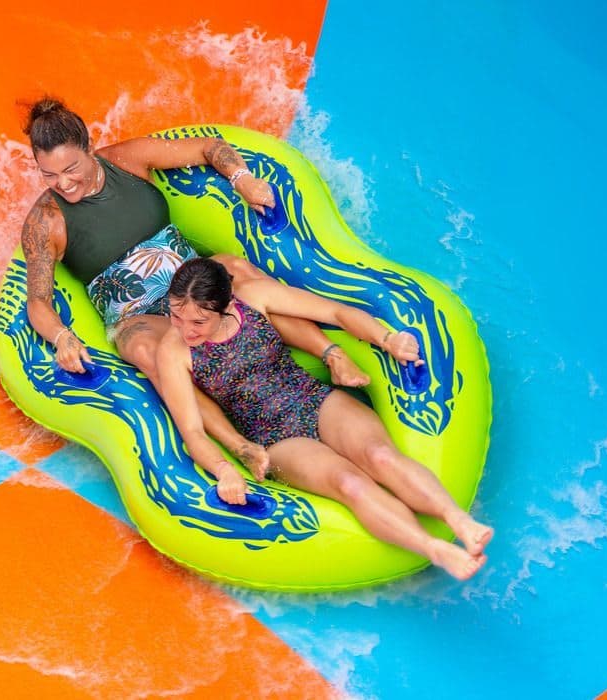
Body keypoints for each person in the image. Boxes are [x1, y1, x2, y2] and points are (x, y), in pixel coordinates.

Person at [19, 96, 369, 468]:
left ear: (88, 147)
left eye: (71, 168)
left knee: (234, 269)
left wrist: (243, 180)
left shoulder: (127, 159)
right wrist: (61, 337)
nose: (63, 183)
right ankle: (238, 446)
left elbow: (207, 147)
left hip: (193, 280)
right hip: (137, 314)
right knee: (143, 348)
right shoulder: (45, 222)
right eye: (49, 175)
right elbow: (38, 301)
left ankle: (331, 355)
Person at [155, 257, 494, 580]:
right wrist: (224, 470)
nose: (186, 330)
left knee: (380, 456)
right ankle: (434, 549)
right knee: (349, 482)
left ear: (227, 305)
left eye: (198, 322)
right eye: (176, 316)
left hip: (313, 397)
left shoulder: (253, 298)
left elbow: (335, 311)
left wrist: (387, 340)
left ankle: (459, 521)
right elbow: (193, 431)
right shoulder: (172, 351)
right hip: (275, 437)